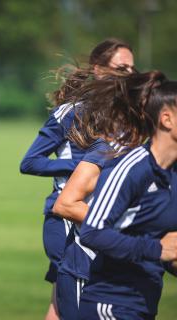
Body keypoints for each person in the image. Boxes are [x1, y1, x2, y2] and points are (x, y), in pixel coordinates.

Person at [19, 38, 135, 320]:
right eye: (122, 68)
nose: (129, 75)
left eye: (132, 69)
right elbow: (30, 162)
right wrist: (84, 165)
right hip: (66, 221)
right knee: (76, 307)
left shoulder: (125, 113)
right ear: (98, 69)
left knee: (58, 309)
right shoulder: (70, 112)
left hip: (98, 220)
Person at [61, 70, 177, 319]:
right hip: (110, 305)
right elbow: (93, 231)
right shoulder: (133, 166)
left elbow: (163, 242)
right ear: (167, 119)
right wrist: (157, 249)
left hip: (143, 303)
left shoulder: (172, 175)